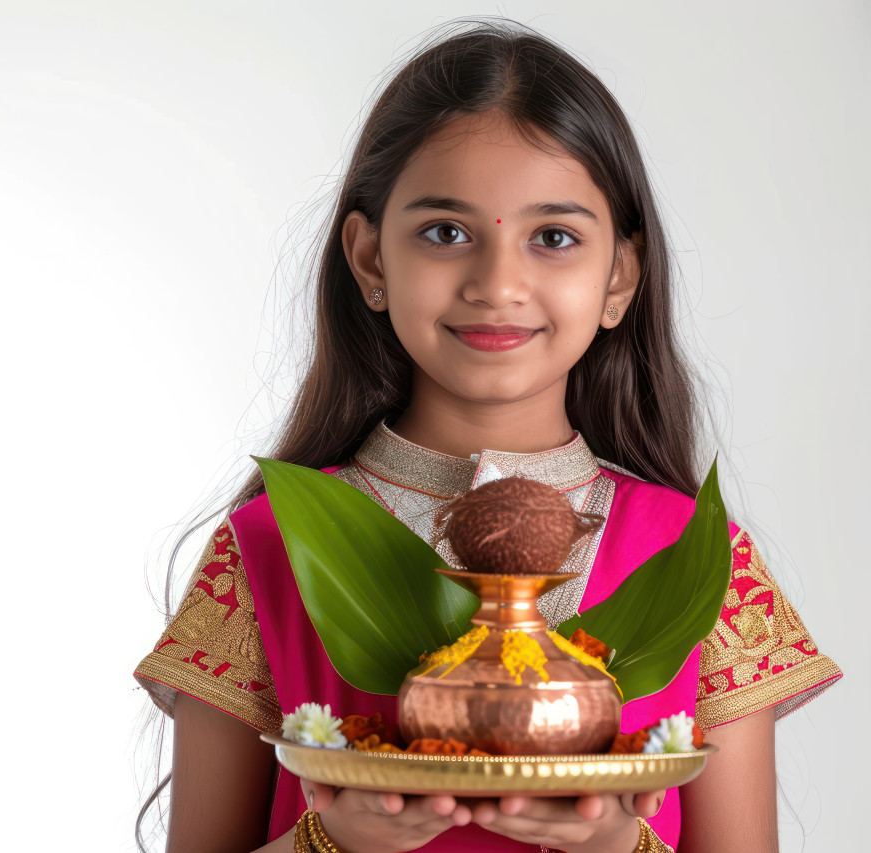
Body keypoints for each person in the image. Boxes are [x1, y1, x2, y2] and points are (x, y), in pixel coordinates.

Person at [131, 18, 841, 853]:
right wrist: (325, 840)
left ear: (618, 278)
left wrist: (621, 844)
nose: (498, 283)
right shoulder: (269, 548)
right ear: (368, 261)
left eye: (555, 238)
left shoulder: (694, 554)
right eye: (445, 232)